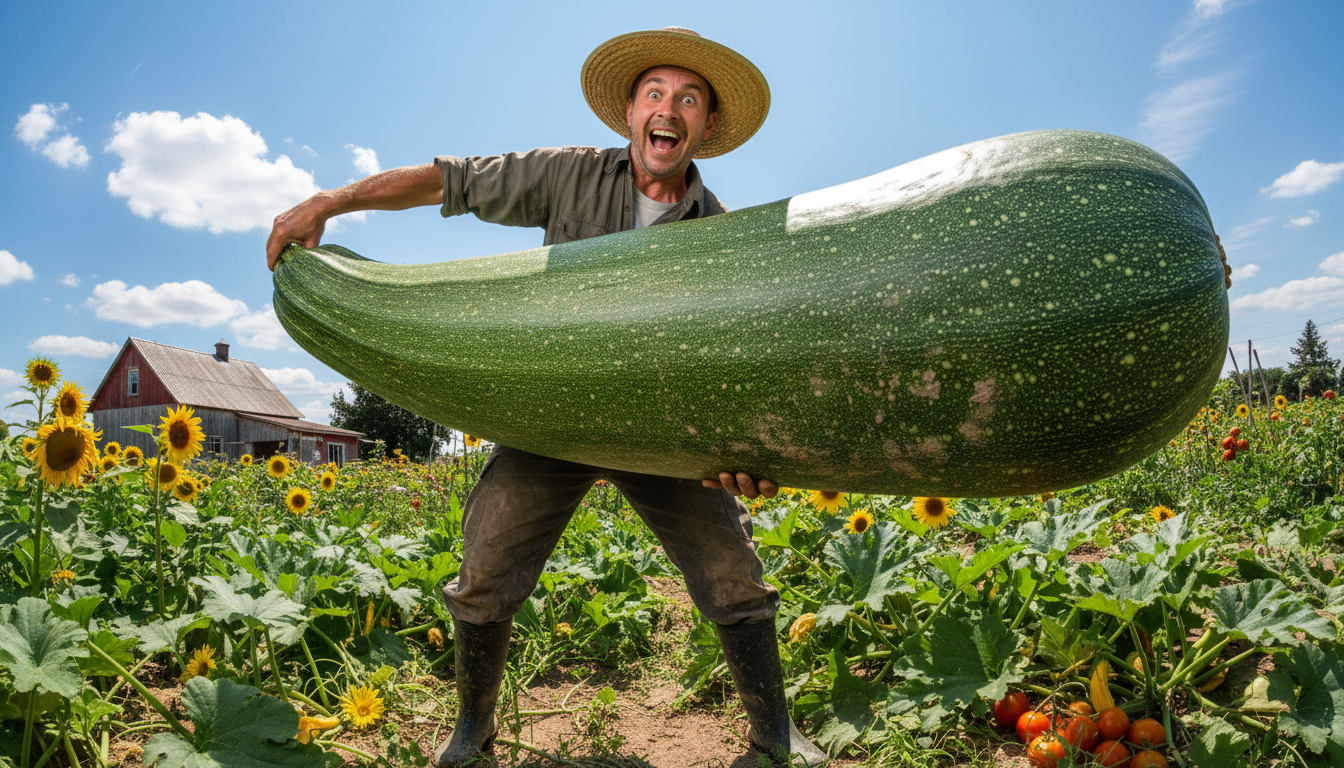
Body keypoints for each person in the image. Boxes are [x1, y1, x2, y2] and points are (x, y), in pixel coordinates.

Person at [266, 27, 826, 768]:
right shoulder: (565, 175)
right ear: (630, 111)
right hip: (550, 420)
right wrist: (331, 202)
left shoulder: (721, 236)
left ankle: (774, 733)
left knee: (733, 573)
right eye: (655, 93)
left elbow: (741, 369)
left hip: (663, 431)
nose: (670, 109)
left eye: (689, 99)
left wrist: (743, 455)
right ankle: (473, 732)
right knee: (485, 563)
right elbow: (450, 181)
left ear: (708, 126)